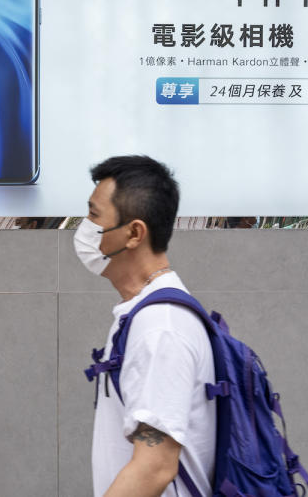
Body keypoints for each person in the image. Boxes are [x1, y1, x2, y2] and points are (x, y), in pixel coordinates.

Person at [75, 156, 216, 497]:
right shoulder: (142, 314)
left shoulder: (160, 327)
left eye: (94, 216)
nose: (84, 228)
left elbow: (154, 467)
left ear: (134, 233)